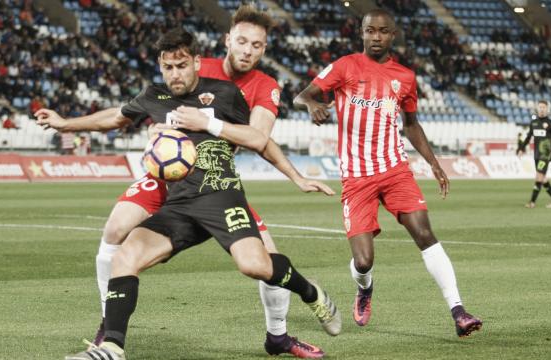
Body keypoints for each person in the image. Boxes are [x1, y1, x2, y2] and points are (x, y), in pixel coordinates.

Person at [38, 28, 339, 359]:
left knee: (254, 265)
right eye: (168, 67)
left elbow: (257, 139)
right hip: (178, 202)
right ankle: (111, 346)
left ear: (197, 62)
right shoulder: (154, 96)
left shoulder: (224, 94)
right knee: (125, 255)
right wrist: (64, 124)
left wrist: (295, 176)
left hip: (220, 196)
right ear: (160, 66)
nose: (175, 74)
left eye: (182, 65)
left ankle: (312, 294)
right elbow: (115, 117)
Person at [293, 8, 482, 337]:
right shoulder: (344, 66)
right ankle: (364, 288)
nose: (376, 37)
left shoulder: (405, 77)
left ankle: (458, 310)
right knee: (363, 261)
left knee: (425, 233)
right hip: (356, 177)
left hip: (395, 170)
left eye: (382, 31)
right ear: (362, 33)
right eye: (370, 31)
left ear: (393, 35)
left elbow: (411, 125)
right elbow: (303, 95)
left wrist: (434, 164)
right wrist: (313, 105)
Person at [516, 100, 551, 208]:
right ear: (537, 109)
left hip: (545, 155)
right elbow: (528, 137)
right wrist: (521, 148)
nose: (541, 109)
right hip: (536, 154)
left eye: (543, 107)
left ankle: (532, 202)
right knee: (543, 178)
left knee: (539, 177)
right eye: (540, 107)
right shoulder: (534, 123)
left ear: (547, 109)